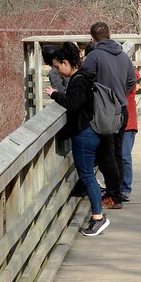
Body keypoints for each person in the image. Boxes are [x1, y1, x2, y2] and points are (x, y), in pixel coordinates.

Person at [44, 42, 109, 236]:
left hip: (84, 133)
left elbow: (73, 104)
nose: (57, 70)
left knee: (87, 176)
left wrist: (55, 94)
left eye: (57, 66)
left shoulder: (78, 80)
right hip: (91, 131)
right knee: (89, 175)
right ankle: (98, 215)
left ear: (66, 62)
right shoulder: (86, 75)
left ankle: (98, 217)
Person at [83, 22, 136, 209]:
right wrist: (119, 94)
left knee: (107, 155)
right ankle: (118, 192)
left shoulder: (93, 56)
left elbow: (84, 80)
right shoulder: (123, 55)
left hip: (103, 111)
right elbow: (131, 81)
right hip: (121, 109)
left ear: (93, 38)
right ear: (110, 35)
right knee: (117, 153)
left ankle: (113, 196)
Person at [120, 67, 140, 201]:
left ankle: (125, 188)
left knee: (124, 156)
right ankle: (116, 187)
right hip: (112, 120)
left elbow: (135, 75)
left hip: (128, 122)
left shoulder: (128, 71)